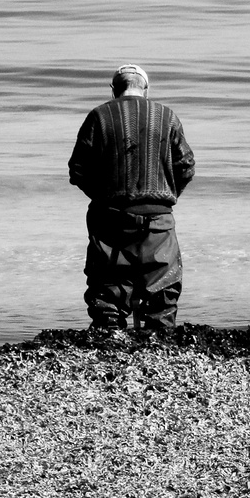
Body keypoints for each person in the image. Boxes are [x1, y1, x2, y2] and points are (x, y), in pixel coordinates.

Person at [68, 64, 195, 331]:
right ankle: (158, 345)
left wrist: (103, 198)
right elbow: (186, 165)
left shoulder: (99, 116)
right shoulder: (167, 116)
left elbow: (78, 169)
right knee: (162, 290)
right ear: (145, 89)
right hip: (157, 220)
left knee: (107, 291)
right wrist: (167, 198)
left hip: (110, 217)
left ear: (114, 90)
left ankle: (110, 338)